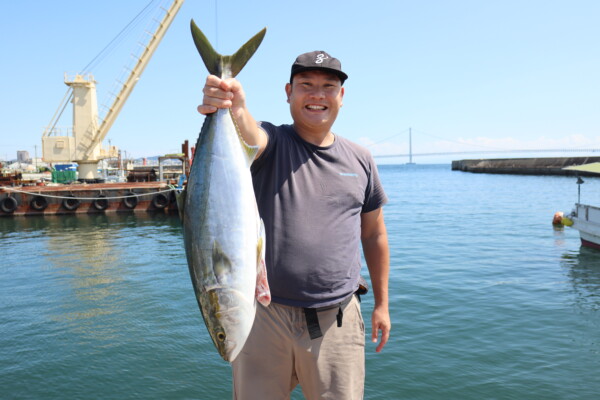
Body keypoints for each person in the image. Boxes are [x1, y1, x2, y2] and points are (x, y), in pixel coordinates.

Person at [198, 50, 390, 400]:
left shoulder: (361, 160)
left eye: (328, 86)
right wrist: (234, 105)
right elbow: (251, 134)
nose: (317, 95)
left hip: (336, 319)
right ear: (288, 92)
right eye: (306, 85)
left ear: (341, 97)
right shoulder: (274, 143)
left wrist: (382, 304)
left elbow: (374, 233)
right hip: (262, 319)